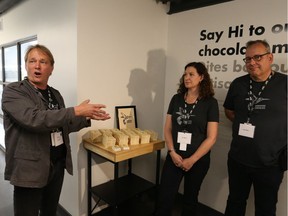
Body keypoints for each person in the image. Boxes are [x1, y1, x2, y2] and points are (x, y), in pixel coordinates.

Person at [2, 44, 110, 216]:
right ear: (26, 65)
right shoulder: (14, 91)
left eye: (43, 62)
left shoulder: (55, 94)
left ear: (51, 69)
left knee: (49, 211)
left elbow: (62, 124)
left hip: (56, 165)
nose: (37, 66)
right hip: (29, 168)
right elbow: (34, 119)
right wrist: (76, 110)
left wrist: (87, 117)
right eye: (32, 61)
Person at [223, 40, 287, 216]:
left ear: (270, 57)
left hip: (270, 164)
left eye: (257, 57)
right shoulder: (238, 84)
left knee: (265, 209)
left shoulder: (284, 83)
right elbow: (229, 111)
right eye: (248, 59)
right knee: (235, 202)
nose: (251, 62)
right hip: (238, 159)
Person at [156, 62, 219, 216]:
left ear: (201, 77)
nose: (187, 77)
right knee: (165, 196)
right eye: (185, 74)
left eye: (191, 74)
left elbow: (212, 137)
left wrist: (192, 160)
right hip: (175, 156)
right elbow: (167, 129)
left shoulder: (210, 103)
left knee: (190, 199)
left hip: (198, 160)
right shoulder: (176, 99)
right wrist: (171, 152)